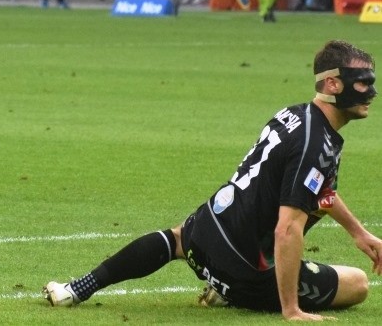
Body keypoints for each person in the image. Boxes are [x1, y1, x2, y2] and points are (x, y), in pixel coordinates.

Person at [45, 39, 382, 320]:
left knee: (174, 239)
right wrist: (291, 309)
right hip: (244, 268)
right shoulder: (316, 143)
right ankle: (231, 290)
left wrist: (358, 232)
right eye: (363, 81)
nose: (372, 91)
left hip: (203, 232)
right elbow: (287, 229)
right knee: (357, 283)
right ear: (333, 84)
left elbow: (316, 188)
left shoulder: (293, 114)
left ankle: (77, 288)